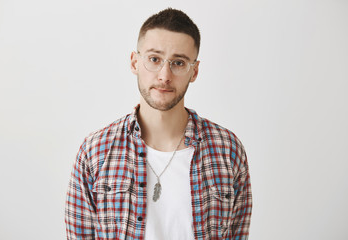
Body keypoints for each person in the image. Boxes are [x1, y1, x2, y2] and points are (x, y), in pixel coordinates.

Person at [65, 8, 252, 240]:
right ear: (135, 62)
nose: (165, 75)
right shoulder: (95, 151)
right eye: (154, 59)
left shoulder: (228, 149)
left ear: (194, 71)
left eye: (179, 63)